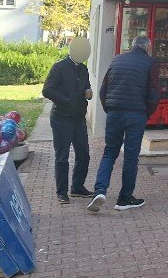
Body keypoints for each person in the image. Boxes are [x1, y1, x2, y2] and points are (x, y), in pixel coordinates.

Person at [87, 35, 159, 212]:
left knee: (109, 152)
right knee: (131, 156)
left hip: (114, 113)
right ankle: (124, 198)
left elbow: (104, 90)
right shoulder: (150, 63)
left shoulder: (117, 60)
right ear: (147, 47)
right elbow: (154, 94)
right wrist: (146, 114)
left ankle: (100, 190)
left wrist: (109, 109)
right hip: (136, 114)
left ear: (132, 45)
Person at [42, 36, 94, 205]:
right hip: (61, 118)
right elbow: (47, 90)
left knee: (84, 154)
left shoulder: (84, 69)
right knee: (62, 156)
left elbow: (86, 86)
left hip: (79, 118)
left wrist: (88, 91)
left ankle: (77, 187)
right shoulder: (59, 67)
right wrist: (67, 100)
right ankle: (62, 192)